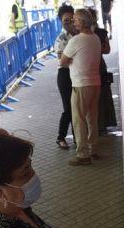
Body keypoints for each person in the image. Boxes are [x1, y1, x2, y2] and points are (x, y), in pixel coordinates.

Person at [60, 9, 101, 166]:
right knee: (92, 118)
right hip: (95, 83)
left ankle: (83, 155)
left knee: (79, 120)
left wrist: (70, 60)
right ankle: (94, 148)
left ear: (82, 23)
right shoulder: (95, 38)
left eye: (75, 19)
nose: (73, 21)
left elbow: (62, 61)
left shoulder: (76, 40)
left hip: (81, 85)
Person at [88, 8, 117, 133]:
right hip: (87, 67)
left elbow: (107, 50)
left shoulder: (101, 32)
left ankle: (104, 124)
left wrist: (96, 49)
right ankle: (93, 125)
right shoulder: (81, 34)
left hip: (100, 66)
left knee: (104, 94)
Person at [54, 4, 77, 150]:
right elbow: (63, 61)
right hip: (65, 76)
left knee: (77, 108)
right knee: (68, 108)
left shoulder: (80, 34)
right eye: (65, 20)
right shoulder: (60, 39)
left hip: (78, 74)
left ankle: (77, 137)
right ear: (61, 21)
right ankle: (60, 137)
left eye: (71, 19)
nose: (68, 23)